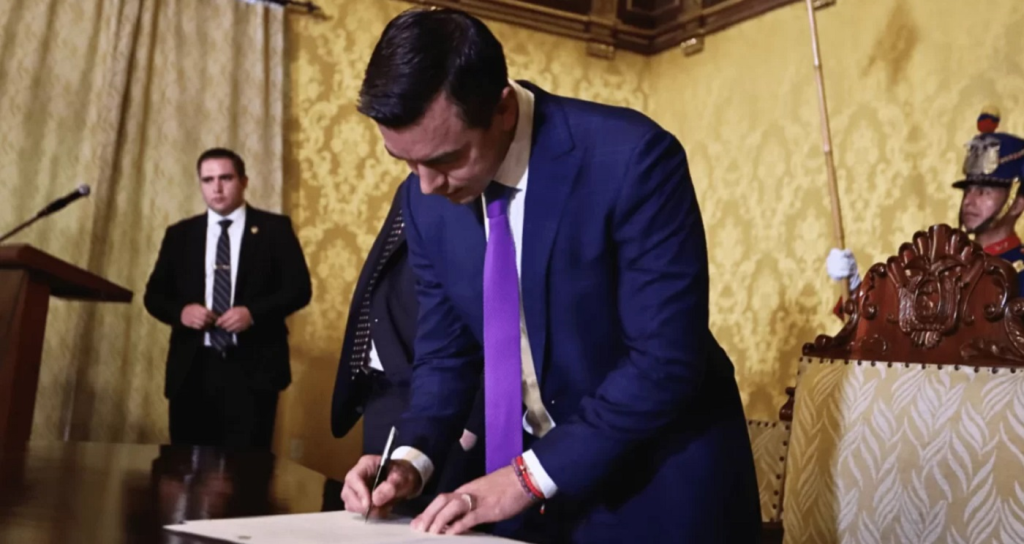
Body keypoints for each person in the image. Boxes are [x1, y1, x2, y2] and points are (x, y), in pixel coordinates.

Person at [339, 8, 759, 543]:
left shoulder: (632, 159)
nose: (425, 186)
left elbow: (664, 362)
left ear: (503, 110)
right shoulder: (423, 202)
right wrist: (408, 460)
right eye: (404, 162)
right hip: (541, 501)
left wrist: (526, 477)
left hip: (661, 485)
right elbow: (445, 355)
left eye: (445, 159)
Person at [330, 179, 485, 512]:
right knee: (384, 510)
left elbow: (492, 319)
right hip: (385, 391)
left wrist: (475, 417)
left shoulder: (462, 185)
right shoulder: (416, 187)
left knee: (436, 518)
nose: (427, 179)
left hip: (450, 401)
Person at [144, 147, 312, 450]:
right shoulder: (180, 234)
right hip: (192, 369)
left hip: (253, 369)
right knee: (184, 465)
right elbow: (154, 296)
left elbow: (299, 290)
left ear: (244, 181)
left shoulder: (274, 229)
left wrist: (253, 313)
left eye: (226, 178)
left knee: (248, 468)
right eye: (208, 180)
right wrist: (181, 312)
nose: (217, 188)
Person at [828, 108, 1024, 312]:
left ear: (1017, 204)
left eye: (984, 192)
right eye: (968, 191)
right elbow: (895, 325)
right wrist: (853, 289)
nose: (969, 201)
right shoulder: (943, 265)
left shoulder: (1019, 272)